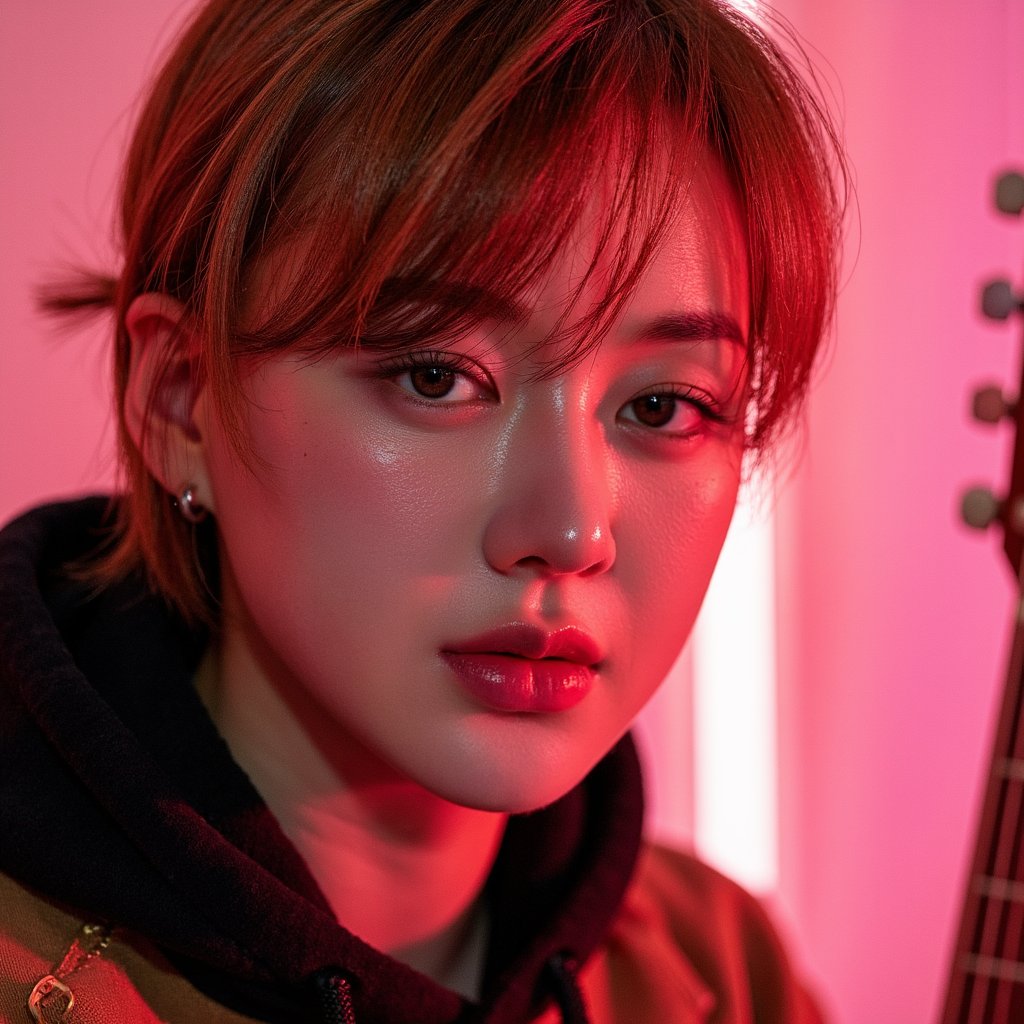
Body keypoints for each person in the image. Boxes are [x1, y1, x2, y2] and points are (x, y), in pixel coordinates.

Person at [0, 1, 845, 1021]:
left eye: (663, 405)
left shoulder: (722, 964)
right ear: (181, 398)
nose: (571, 530)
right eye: (437, 376)